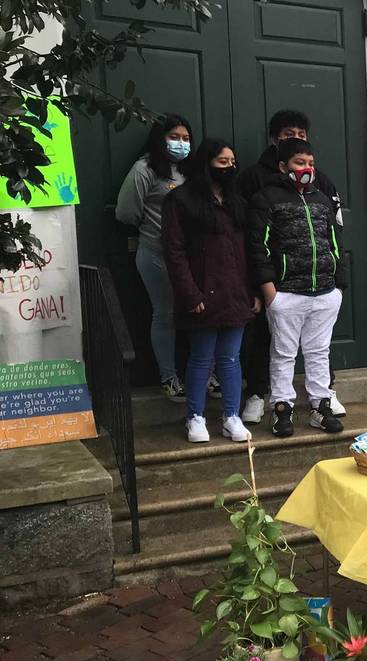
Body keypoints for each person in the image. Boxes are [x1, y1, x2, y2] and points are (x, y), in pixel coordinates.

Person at [237, 110, 345, 425]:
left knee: (318, 352)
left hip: (324, 292)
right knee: (282, 354)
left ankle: (320, 406)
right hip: (285, 293)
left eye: (310, 163)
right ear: (284, 165)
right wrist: (270, 292)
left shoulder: (322, 197)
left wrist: (339, 286)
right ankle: (281, 408)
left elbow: (334, 241)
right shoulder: (264, 195)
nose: (306, 169)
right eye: (299, 163)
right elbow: (258, 246)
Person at [160, 138, 256, 443]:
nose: (229, 168)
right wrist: (190, 294)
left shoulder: (237, 201)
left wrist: (252, 290)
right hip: (201, 293)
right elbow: (174, 252)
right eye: (222, 162)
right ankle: (196, 417)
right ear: (206, 164)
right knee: (201, 358)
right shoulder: (181, 201)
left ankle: (231, 416)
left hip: (235, 292)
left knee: (231, 358)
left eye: (232, 162)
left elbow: (249, 250)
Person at [115, 113, 195, 402]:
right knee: (165, 315)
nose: (181, 143)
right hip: (156, 254)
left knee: (199, 314)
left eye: (186, 139)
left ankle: (205, 374)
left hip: (192, 257)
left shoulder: (190, 170)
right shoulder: (145, 169)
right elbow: (126, 212)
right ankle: (169, 377)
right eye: (174, 137)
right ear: (160, 138)